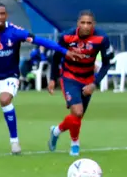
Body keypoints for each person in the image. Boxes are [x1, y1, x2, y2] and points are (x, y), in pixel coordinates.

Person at [0, 3, 82, 154]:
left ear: (6, 15)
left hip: (10, 76)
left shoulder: (15, 32)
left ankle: (14, 142)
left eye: (3, 13)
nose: (0, 17)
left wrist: (64, 51)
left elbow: (40, 41)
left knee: (5, 99)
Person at [47, 10, 114, 156]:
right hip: (69, 76)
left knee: (77, 117)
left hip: (88, 79)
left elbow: (107, 63)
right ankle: (75, 144)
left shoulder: (102, 38)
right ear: (78, 24)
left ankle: (56, 131)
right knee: (77, 112)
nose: (85, 26)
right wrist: (52, 78)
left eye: (89, 23)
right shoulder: (66, 36)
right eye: (83, 22)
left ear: (93, 25)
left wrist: (94, 83)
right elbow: (56, 58)